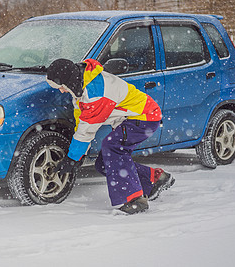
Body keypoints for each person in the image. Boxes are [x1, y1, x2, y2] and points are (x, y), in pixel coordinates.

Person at [46, 58, 175, 214]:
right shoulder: (82, 86)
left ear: (69, 82)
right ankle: (154, 179)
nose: (61, 91)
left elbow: (87, 130)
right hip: (132, 119)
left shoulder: (96, 94)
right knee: (103, 163)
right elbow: (82, 124)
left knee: (113, 147)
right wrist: (78, 156)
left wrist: (73, 158)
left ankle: (134, 200)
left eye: (61, 87)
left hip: (145, 117)